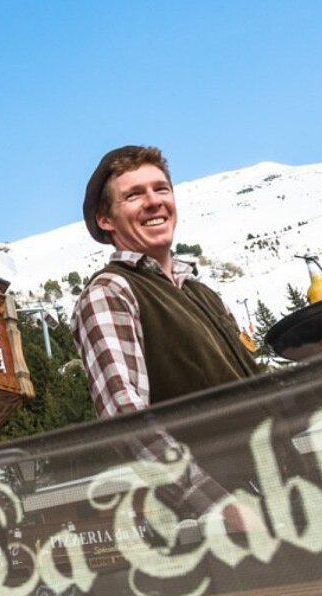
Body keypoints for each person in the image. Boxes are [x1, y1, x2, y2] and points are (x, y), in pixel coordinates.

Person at [72, 145, 258, 418]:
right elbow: (127, 418)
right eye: (133, 195)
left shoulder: (204, 293)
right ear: (105, 219)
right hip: (210, 460)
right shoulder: (110, 292)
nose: (153, 202)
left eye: (161, 189)